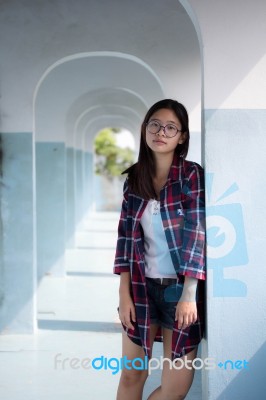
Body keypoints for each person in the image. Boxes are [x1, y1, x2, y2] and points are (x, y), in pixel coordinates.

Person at [113, 99, 206, 400]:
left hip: (180, 293)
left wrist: (189, 295)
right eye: (154, 124)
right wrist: (123, 294)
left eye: (170, 127)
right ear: (144, 130)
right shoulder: (134, 179)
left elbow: (197, 234)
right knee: (132, 374)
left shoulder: (191, 175)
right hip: (141, 287)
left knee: (175, 390)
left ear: (182, 137)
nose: (160, 132)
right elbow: (125, 240)